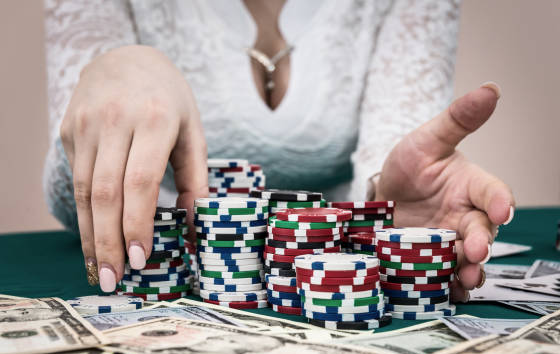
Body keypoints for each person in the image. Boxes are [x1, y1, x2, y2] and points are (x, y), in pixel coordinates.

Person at [43, 0, 515, 299]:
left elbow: (399, 131)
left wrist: (382, 199)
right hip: (176, 262)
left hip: (334, 260)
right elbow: (74, 190)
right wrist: (110, 77)